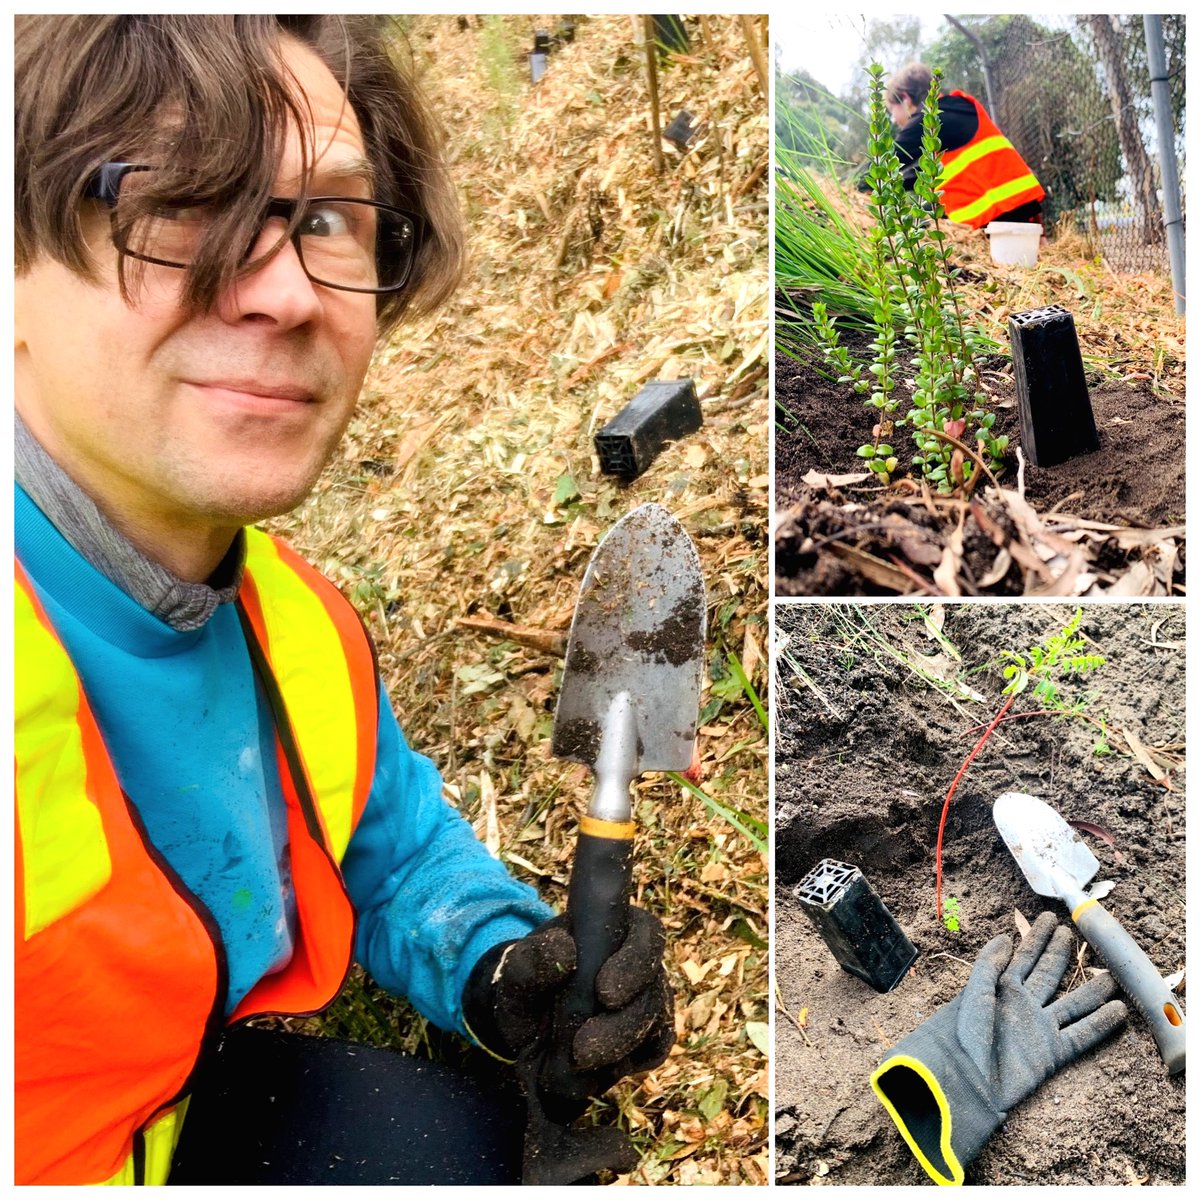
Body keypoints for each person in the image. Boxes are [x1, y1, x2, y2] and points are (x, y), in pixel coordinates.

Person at [14, 15, 672, 1186]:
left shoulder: (294, 622)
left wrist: (501, 970)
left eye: (325, 217)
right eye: (175, 200)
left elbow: (392, 850)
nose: (282, 292)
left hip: (180, 1107)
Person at [884, 62, 1045, 229]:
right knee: (922, 215)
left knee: (913, 226)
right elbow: (923, 172)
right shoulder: (953, 110)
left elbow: (882, 165)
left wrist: (860, 190)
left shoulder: (930, 117)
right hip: (1016, 207)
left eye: (891, 110)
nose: (894, 119)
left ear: (906, 99)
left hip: (1004, 213)